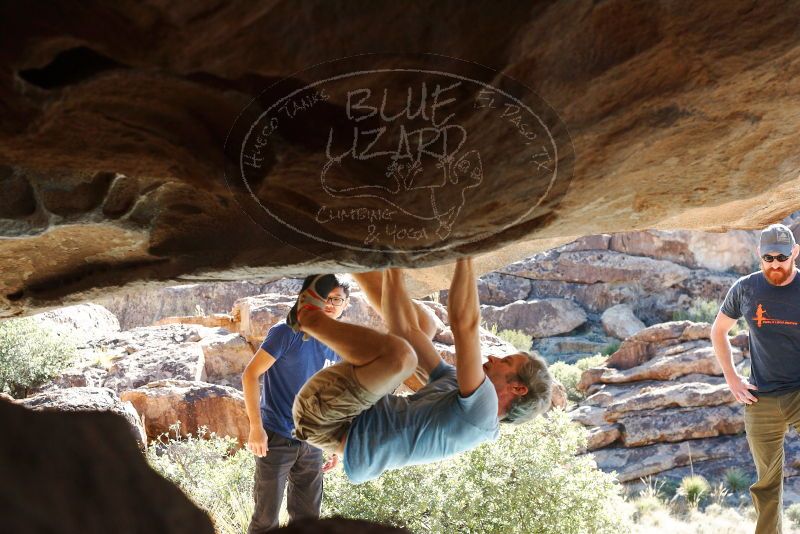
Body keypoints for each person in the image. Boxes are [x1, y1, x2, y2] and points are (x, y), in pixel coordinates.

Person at [288, 257, 553, 484]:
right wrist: (393, 267)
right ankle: (357, 259)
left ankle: (308, 316)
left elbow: (465, 325)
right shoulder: (455, 388)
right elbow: (406, 330)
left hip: (328, 418)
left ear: (518, 388)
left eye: (506, 361)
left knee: (401, 358)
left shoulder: (483, 413)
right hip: (343, 412)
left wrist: (466, 253)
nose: (494, 356)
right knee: (417, 334)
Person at [242, 275, 351, 533]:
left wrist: (335, 442)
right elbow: (250, 375)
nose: (331, 303)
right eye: (326, 297)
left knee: (308, 520)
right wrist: (255, 428)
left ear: (346, 305)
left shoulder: (337, 340)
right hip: (276, 437)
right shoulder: (286, 332)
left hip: (313, 440)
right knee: (265, 519)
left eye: (338, 299)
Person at [711, 223, 800, 534]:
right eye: (768, 258)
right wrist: (733, 378)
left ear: (795, 253)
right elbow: (718, 331)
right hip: (760, 396)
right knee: (766, 484)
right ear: (758, 255)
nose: (775, 264)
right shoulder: (746, 288)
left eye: (782, 257)